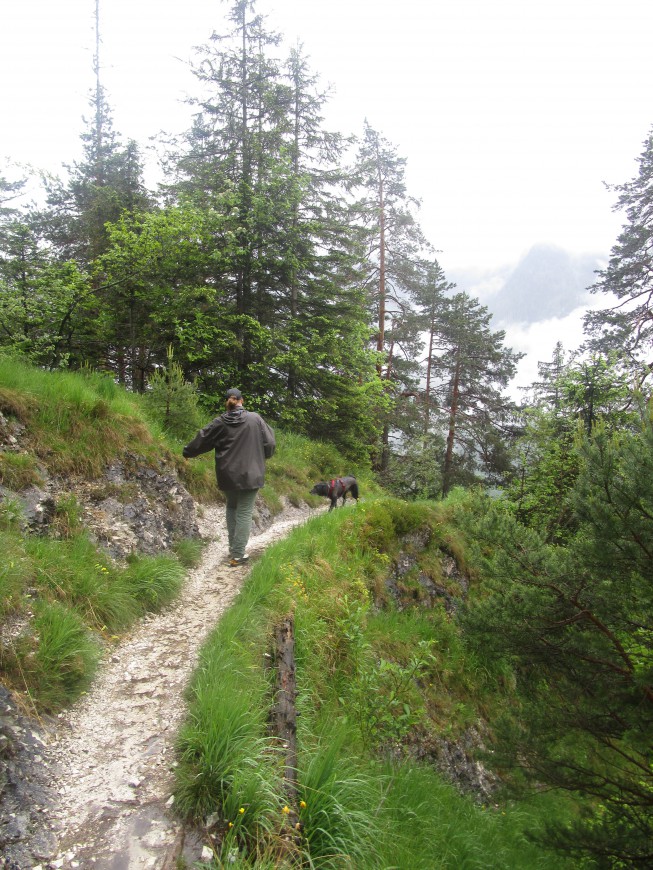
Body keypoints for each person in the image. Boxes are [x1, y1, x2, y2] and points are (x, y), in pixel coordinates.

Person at [183, 388, 276, 567]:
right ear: (242, 400)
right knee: (244, 511)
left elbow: (203, 438)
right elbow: (270, 443)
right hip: (251, 474)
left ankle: (233, 548)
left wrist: (187, 452)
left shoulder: (219, 422)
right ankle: (238, 554)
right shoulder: (255, 419)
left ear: (227, 403)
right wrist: (264, 455)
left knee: (232, 507)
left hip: (227, 473)